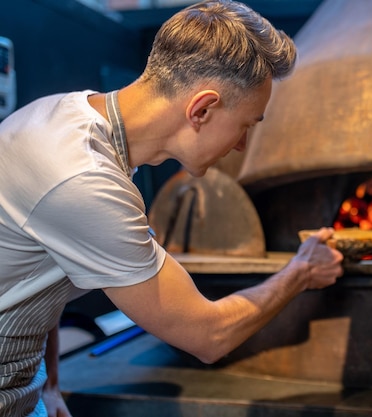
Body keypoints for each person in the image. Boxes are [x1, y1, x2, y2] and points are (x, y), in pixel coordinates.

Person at [0, 1, 344, 415]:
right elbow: (209, 336)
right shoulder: (84, 179)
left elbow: (43, 268)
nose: (240, 146)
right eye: (246, 125)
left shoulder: (65, 115)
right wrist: (301, 271)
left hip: (27, 390)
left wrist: (51, 385)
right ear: (202, 109)